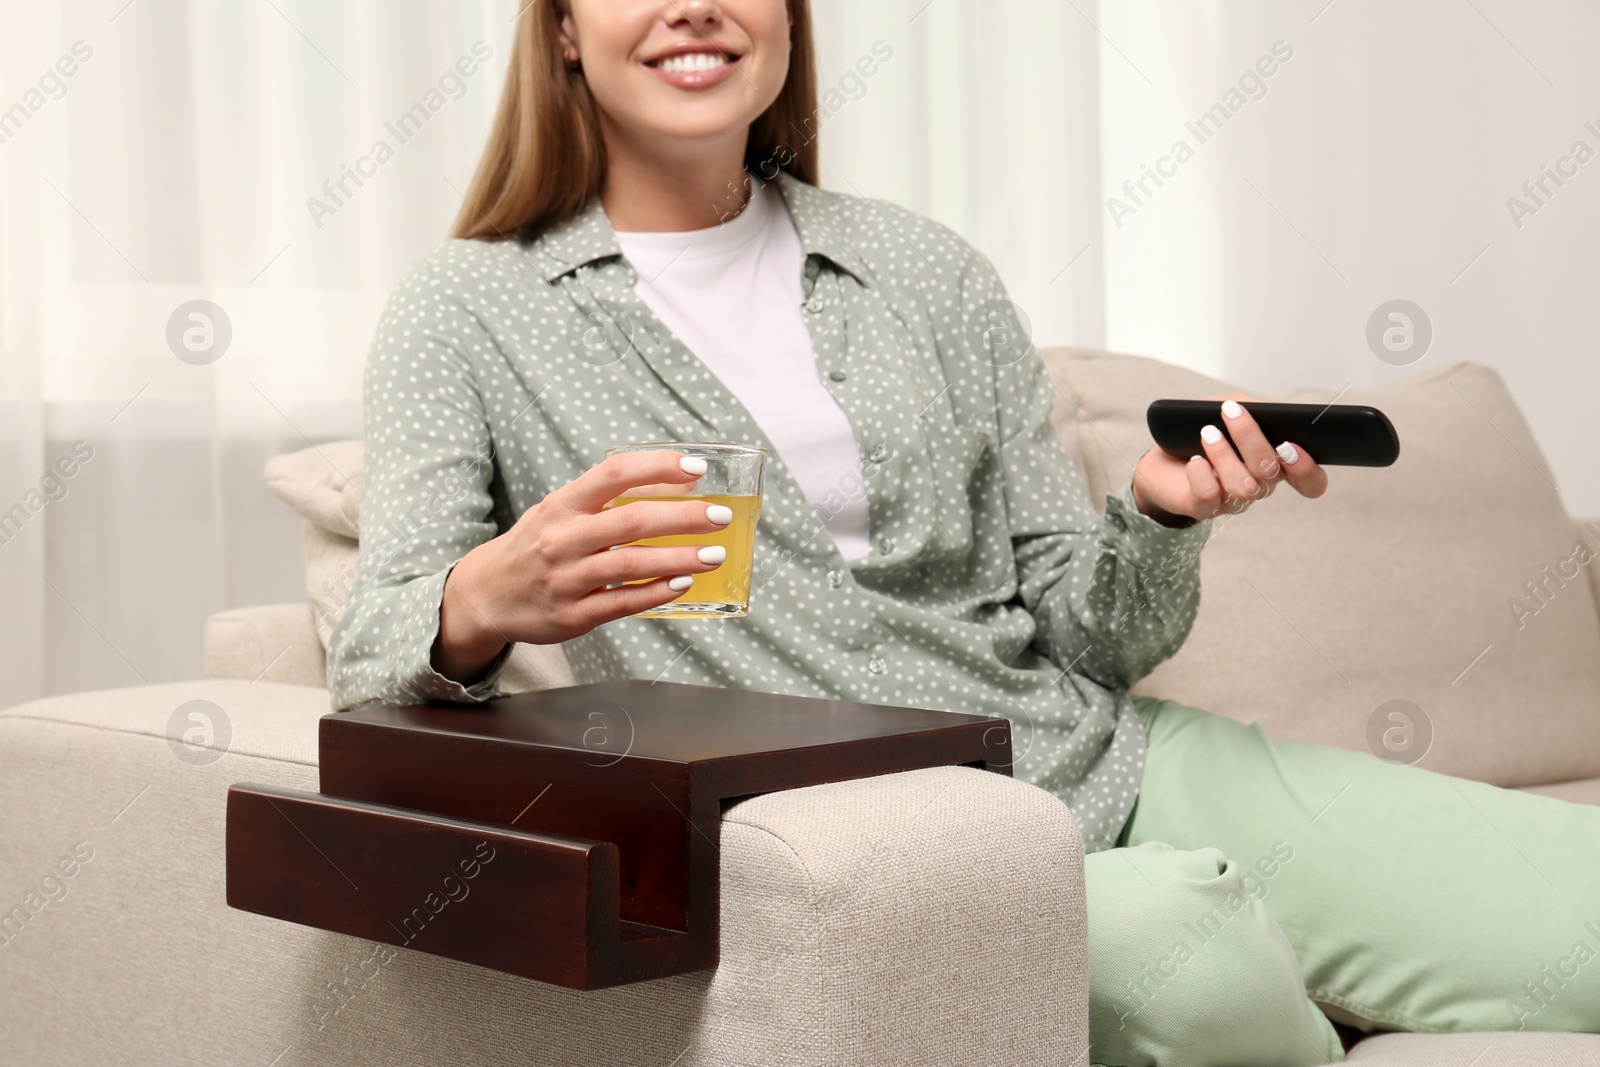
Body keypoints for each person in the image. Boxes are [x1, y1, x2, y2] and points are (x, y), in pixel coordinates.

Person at [326, 1, 1600, 1063]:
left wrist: (1156, 515)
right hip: (879, 842)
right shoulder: (470, 309)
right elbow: (373, 656)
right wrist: (483, 598)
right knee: (1196, 975)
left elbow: (1093, 631)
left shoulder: (922, 269)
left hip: (1100, 751)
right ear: (559, 28)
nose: (697, 6)